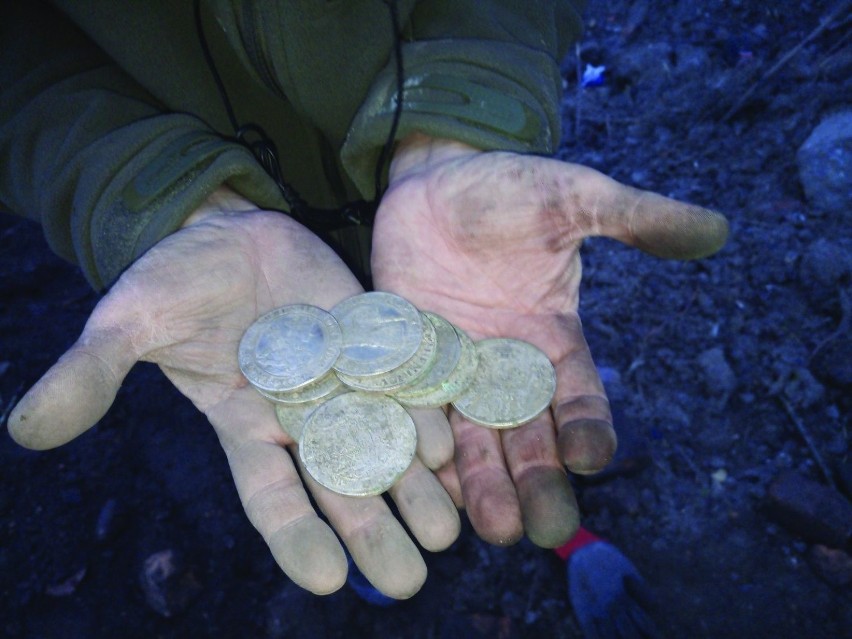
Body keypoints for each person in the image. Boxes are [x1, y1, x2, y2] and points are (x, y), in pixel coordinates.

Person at [1, 0, 728, 602]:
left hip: (446, 216)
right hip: (234, 275)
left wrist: (463, 109)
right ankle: (375, 536)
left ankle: (520, 515)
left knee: (527, 435)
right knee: (329, 483)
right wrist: (146, 187)